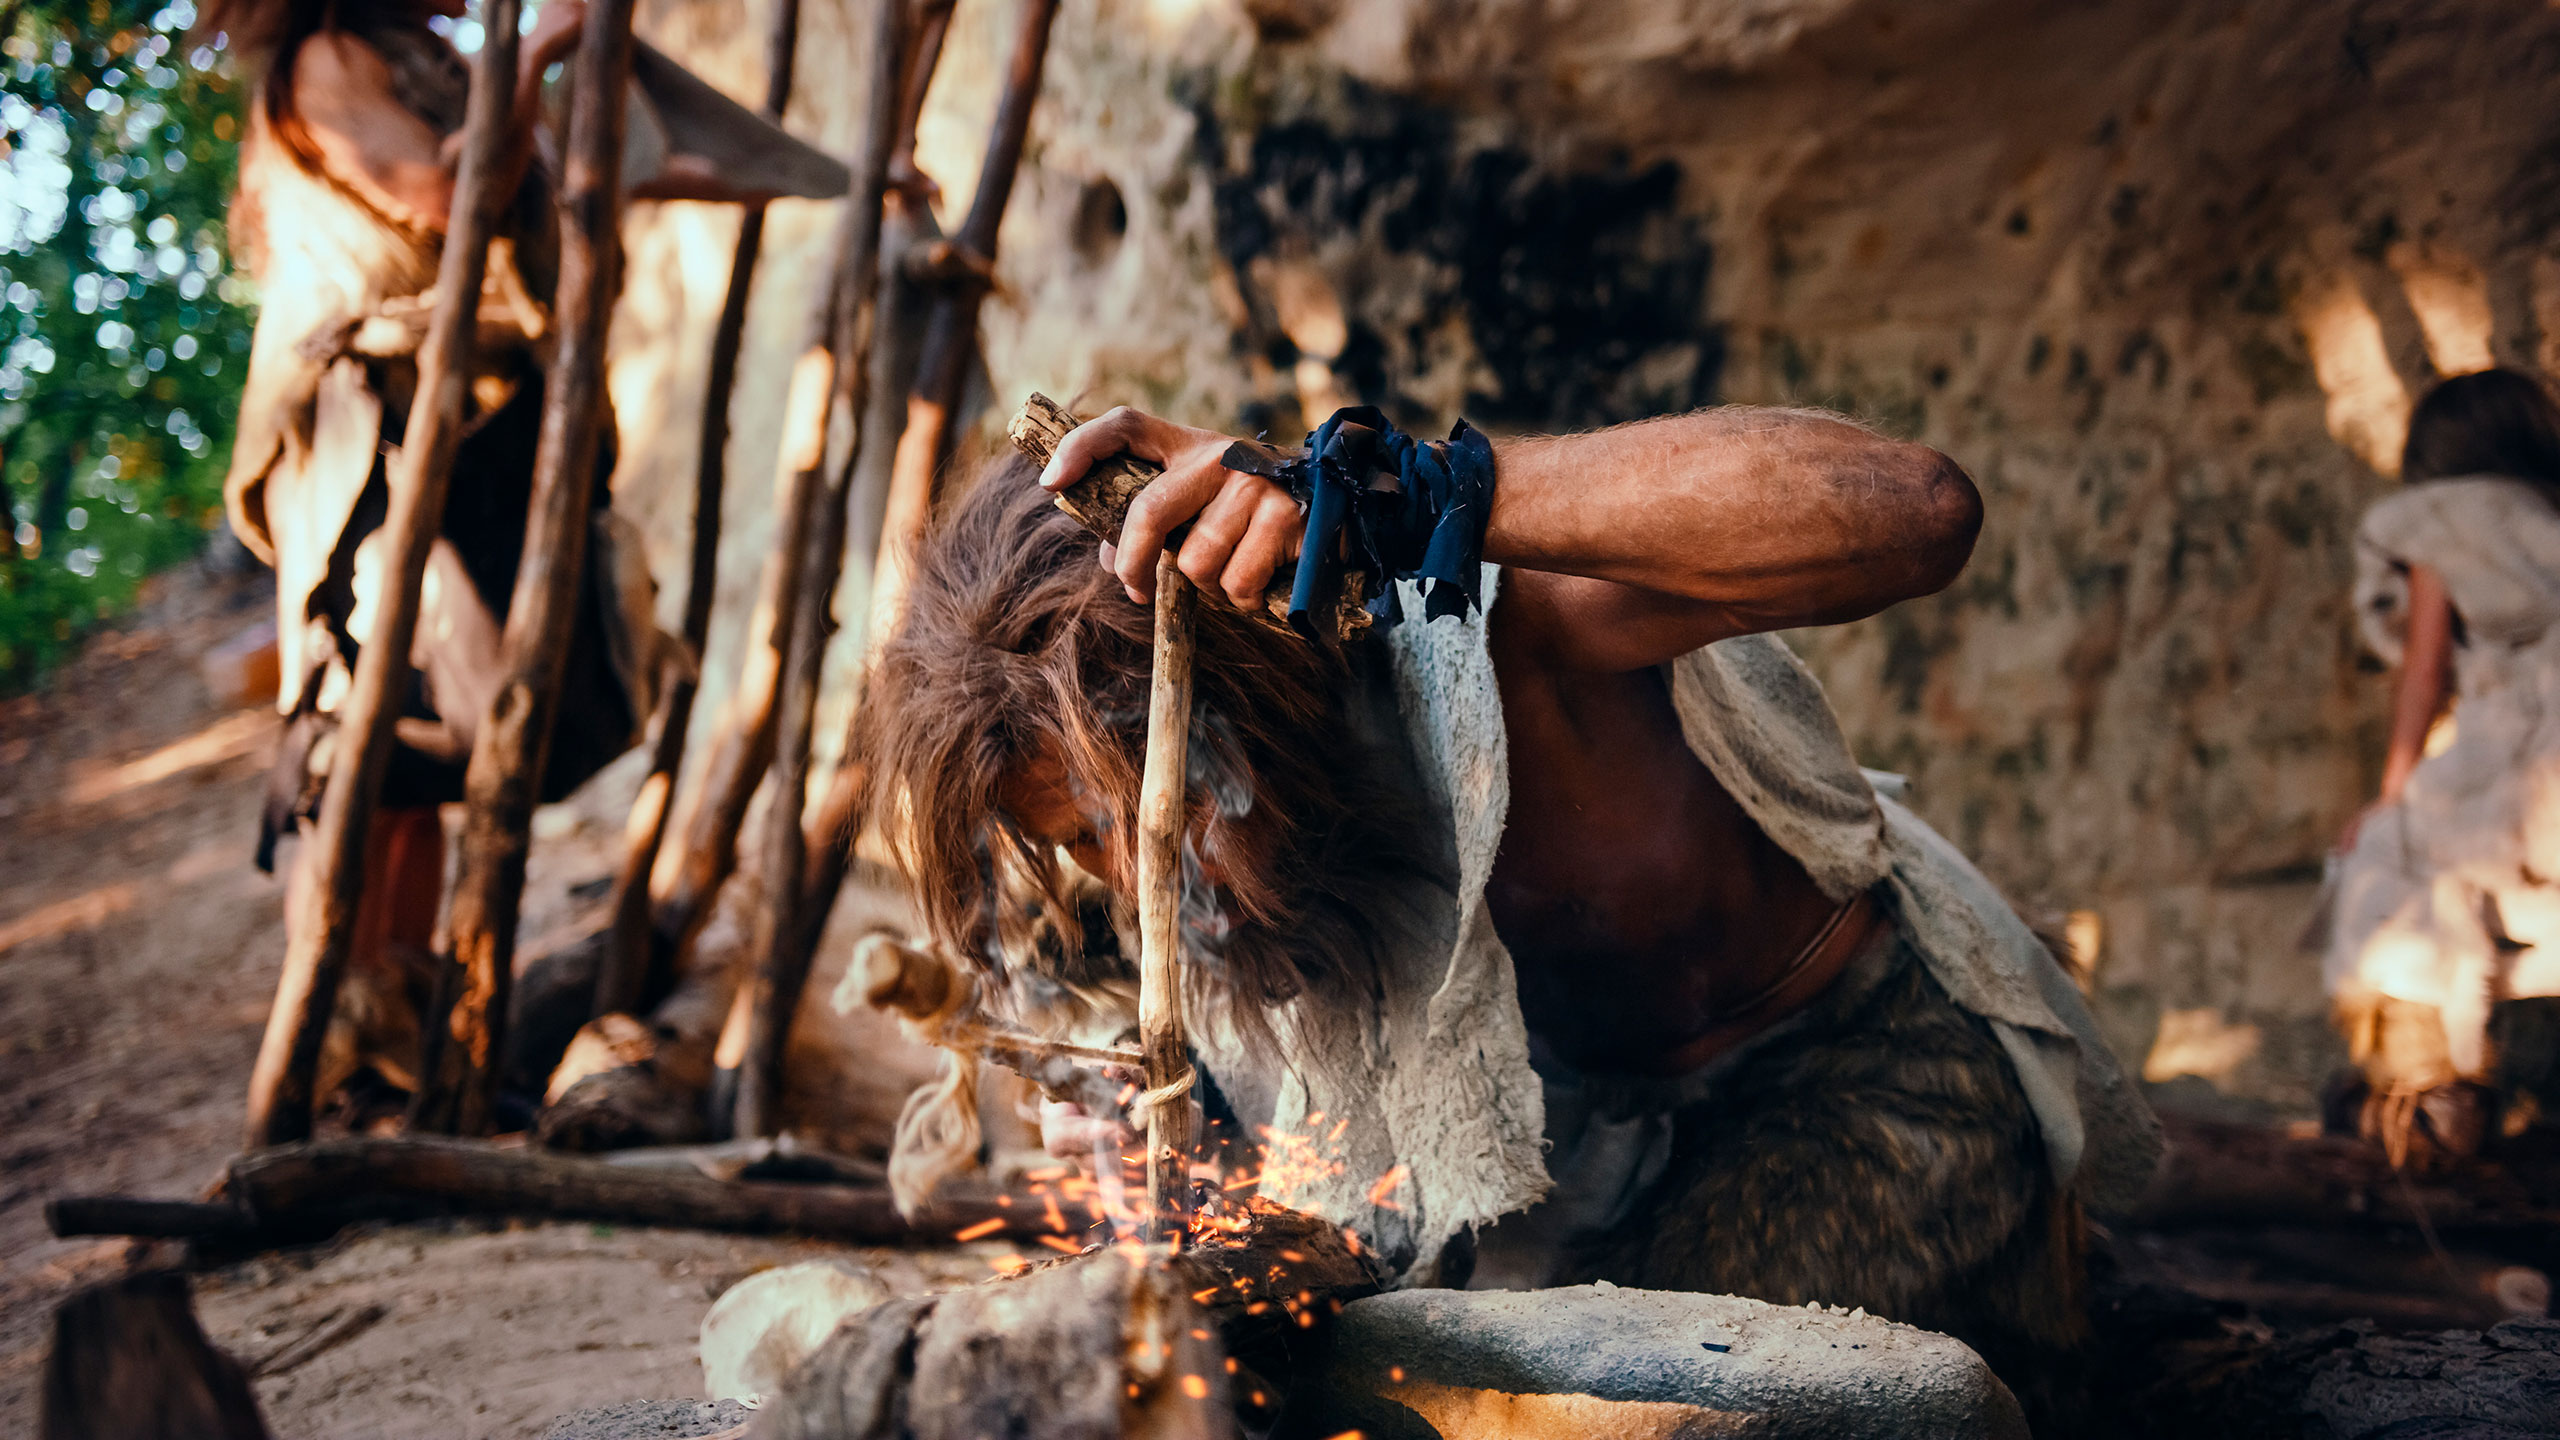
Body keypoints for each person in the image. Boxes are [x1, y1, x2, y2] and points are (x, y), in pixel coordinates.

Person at [851, 399, 2161, 1384]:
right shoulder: (1225, 873)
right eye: (1080, 846)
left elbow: (1918, 508)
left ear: (1238, 713)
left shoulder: (1475, 627)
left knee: (1629, 1386)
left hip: (1855, 1086)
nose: (1132, 888)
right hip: (1576, 1151)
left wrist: (1420, 493)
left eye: (1118, 826)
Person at [208, 0, 833, 1115]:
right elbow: (449, 198)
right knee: (370, 744)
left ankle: (404, 1047)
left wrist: (832, 181)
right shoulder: (331, 58)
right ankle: (351, 1054)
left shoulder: (423, 59)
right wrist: (543, 49)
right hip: (386, 452)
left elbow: (588, 168)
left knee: (424, 764)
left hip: (475, 435)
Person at [2327, 368, 2560, 1162]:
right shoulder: (2547, 513)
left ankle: (2431, 1098)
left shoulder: (2442, 523)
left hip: (2513, 753)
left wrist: (2391, 797)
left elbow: (2425, 674)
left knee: (2384, 875)